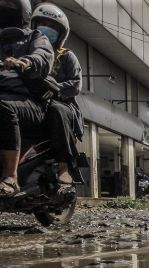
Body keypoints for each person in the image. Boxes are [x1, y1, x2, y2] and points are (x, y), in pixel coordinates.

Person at [0, 0, 54, 197]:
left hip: (31, 102)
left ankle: (10, 177)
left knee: (3, 108)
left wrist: (24, 62)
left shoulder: (35, 37)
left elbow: (43, 57)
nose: (4, 12)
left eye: (9, 8)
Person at [31, 2, 82, 185]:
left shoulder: (66, 56)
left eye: (52, 27)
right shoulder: (26, 52)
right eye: (43, 24)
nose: (47, 30)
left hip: (61, 104)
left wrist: (55, 88)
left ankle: (63, 166)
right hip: (31, 102)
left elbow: (75, 85)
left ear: (61, 34)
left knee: (56, 110)